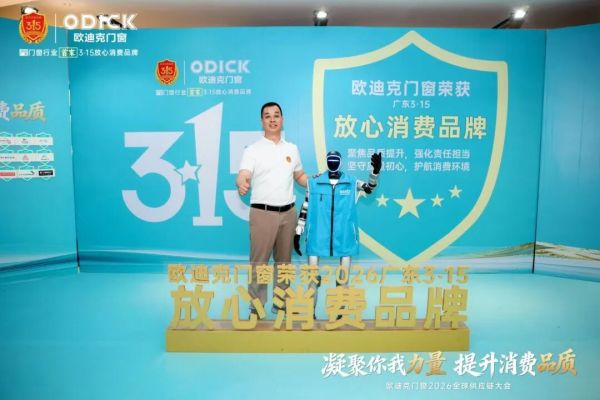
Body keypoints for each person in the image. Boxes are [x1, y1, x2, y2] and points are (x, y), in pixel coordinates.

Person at [236, 102, 308, 318]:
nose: (272, 119)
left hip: (288, 213)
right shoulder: (252, 150)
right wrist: (241, 181)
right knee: (259, 263)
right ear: (262, 122)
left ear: (282, 120)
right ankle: (256, 307)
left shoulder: (291, 148)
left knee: (284, 263)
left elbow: (299, 176)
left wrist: (317, 182)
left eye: (276, 115)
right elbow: (244, 173)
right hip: (263, 213)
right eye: (267, 116)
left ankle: (281, 303)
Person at [294, 150, 382, 319]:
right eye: (330, 159)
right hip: (318, 234)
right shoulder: (314, 182)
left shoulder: (351, 182)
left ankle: (339, 311)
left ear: (340, 162)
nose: (333, 162)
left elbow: (369, 188)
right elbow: (306, 205)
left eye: (335, 159)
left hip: (344, 235)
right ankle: (310, 312)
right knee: (312, 277)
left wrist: (375, 173)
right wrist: (299, 228)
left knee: (343, 277)